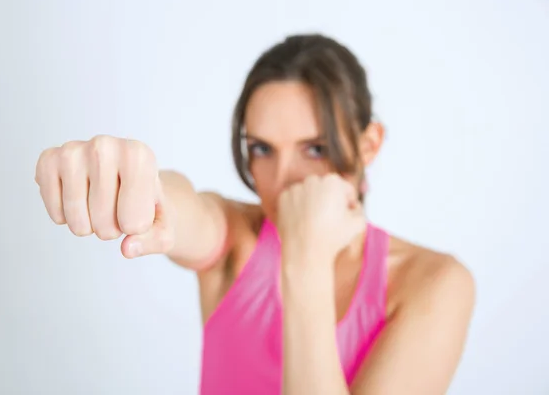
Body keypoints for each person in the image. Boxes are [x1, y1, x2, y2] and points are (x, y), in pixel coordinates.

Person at [35, 33, 476, 395]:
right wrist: (134, 179)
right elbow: (183, 206)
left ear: (369, 145)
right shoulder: (237, 240)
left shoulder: (433, 284)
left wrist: (305, 260)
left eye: (315, 149)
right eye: (262, 149)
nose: (283, 180)